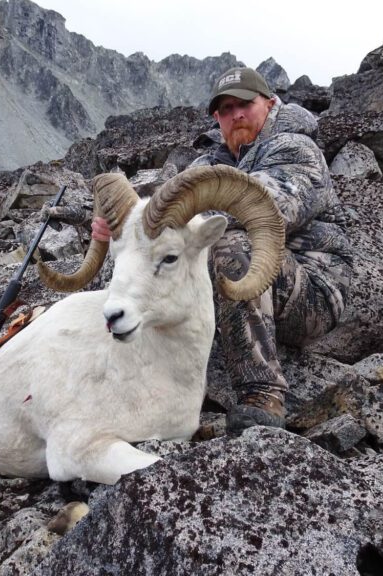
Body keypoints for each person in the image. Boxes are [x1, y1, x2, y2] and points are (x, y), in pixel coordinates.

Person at [93, 67, 353, 434]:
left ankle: (262, 392)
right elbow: (163, 224)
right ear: (217, 118)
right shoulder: (207, 164)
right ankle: (129, 384)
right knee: (153, 259)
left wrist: (167, 223)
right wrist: (123, 228)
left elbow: (276, 205)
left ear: (270, 102)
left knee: (225, 247)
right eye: (225, 110)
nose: (236, 115)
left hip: (311, 290)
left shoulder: (295, 148)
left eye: (244, 104)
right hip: (247, 288)